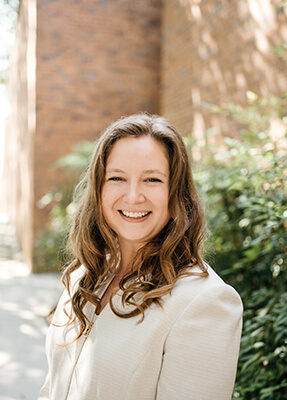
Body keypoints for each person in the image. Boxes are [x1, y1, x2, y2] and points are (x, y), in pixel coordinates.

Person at [38, 113, 243, 400]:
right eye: (117, 178)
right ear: (99, 189)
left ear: (176, 194)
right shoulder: (83, 276)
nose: (133, 196)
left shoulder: (205, 301)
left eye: (152, 179)